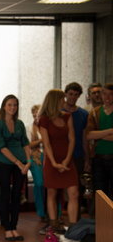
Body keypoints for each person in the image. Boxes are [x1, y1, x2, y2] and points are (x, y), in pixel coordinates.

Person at [39, 89, 78, 232]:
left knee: (74, 192)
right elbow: (46, 143)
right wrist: (54, 163)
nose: (65, 101)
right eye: (62, 99)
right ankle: (54, 224)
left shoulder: (68, 117)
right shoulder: (44, 119)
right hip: (52, 161)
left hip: (67, 159)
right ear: (56, 100)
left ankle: (74, 227)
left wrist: (67, 161)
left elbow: (72, 139)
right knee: (52, 193)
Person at [0, 94, 30, 241]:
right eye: (9, 105)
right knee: (5, 195)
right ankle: (7, 228)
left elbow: (25, 143)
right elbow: (1, 147)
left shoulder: (20, 123)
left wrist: (28, 162)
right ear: (4, 106)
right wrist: (19, 163)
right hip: (5, 162)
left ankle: (14, 227)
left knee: (17, 196)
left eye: (15, 105)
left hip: (21, 163)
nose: (12, 108)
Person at [62, 82, 89, 217]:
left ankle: (76, 221)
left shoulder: (83, 114)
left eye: (76, 95)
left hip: (77, 154)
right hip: (60, 155)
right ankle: (54, 221)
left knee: (76, 189)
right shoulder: (58, 111)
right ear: (66, 94)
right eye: (70, 94)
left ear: (79, 96)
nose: (73, 97)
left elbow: (85, 138)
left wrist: (87, 159)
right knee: (57, 189)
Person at [86, 82, 113, 200]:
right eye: (104, 94)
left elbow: (94, 134)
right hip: (98, 158)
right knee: (100, 192)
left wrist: (99, 135)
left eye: (110, 95)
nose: (107, 97)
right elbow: (89, 135)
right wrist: (110, 131)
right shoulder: (95, 112)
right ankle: (102, 218)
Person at [28, 104, 46, 222]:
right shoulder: (29, 128)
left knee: (51, 185)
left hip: (49, 156)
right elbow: (29, 145)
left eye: (38, 112)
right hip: (35, 157)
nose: (35, 114)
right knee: (39, 183)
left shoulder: (48, 126)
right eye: (33, 112)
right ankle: (41, 212)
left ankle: (55, 213)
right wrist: (41, 140)